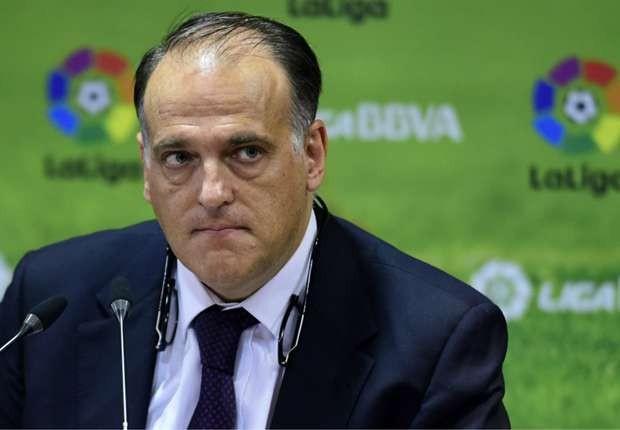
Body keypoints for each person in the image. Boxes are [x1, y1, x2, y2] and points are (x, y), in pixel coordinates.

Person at [0, 12, 509, 429]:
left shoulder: (435, 343)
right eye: (179, 158)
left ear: (312, 155)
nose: (212, 193)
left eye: (246, 152)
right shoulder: (47, 305)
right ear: (146, 169)